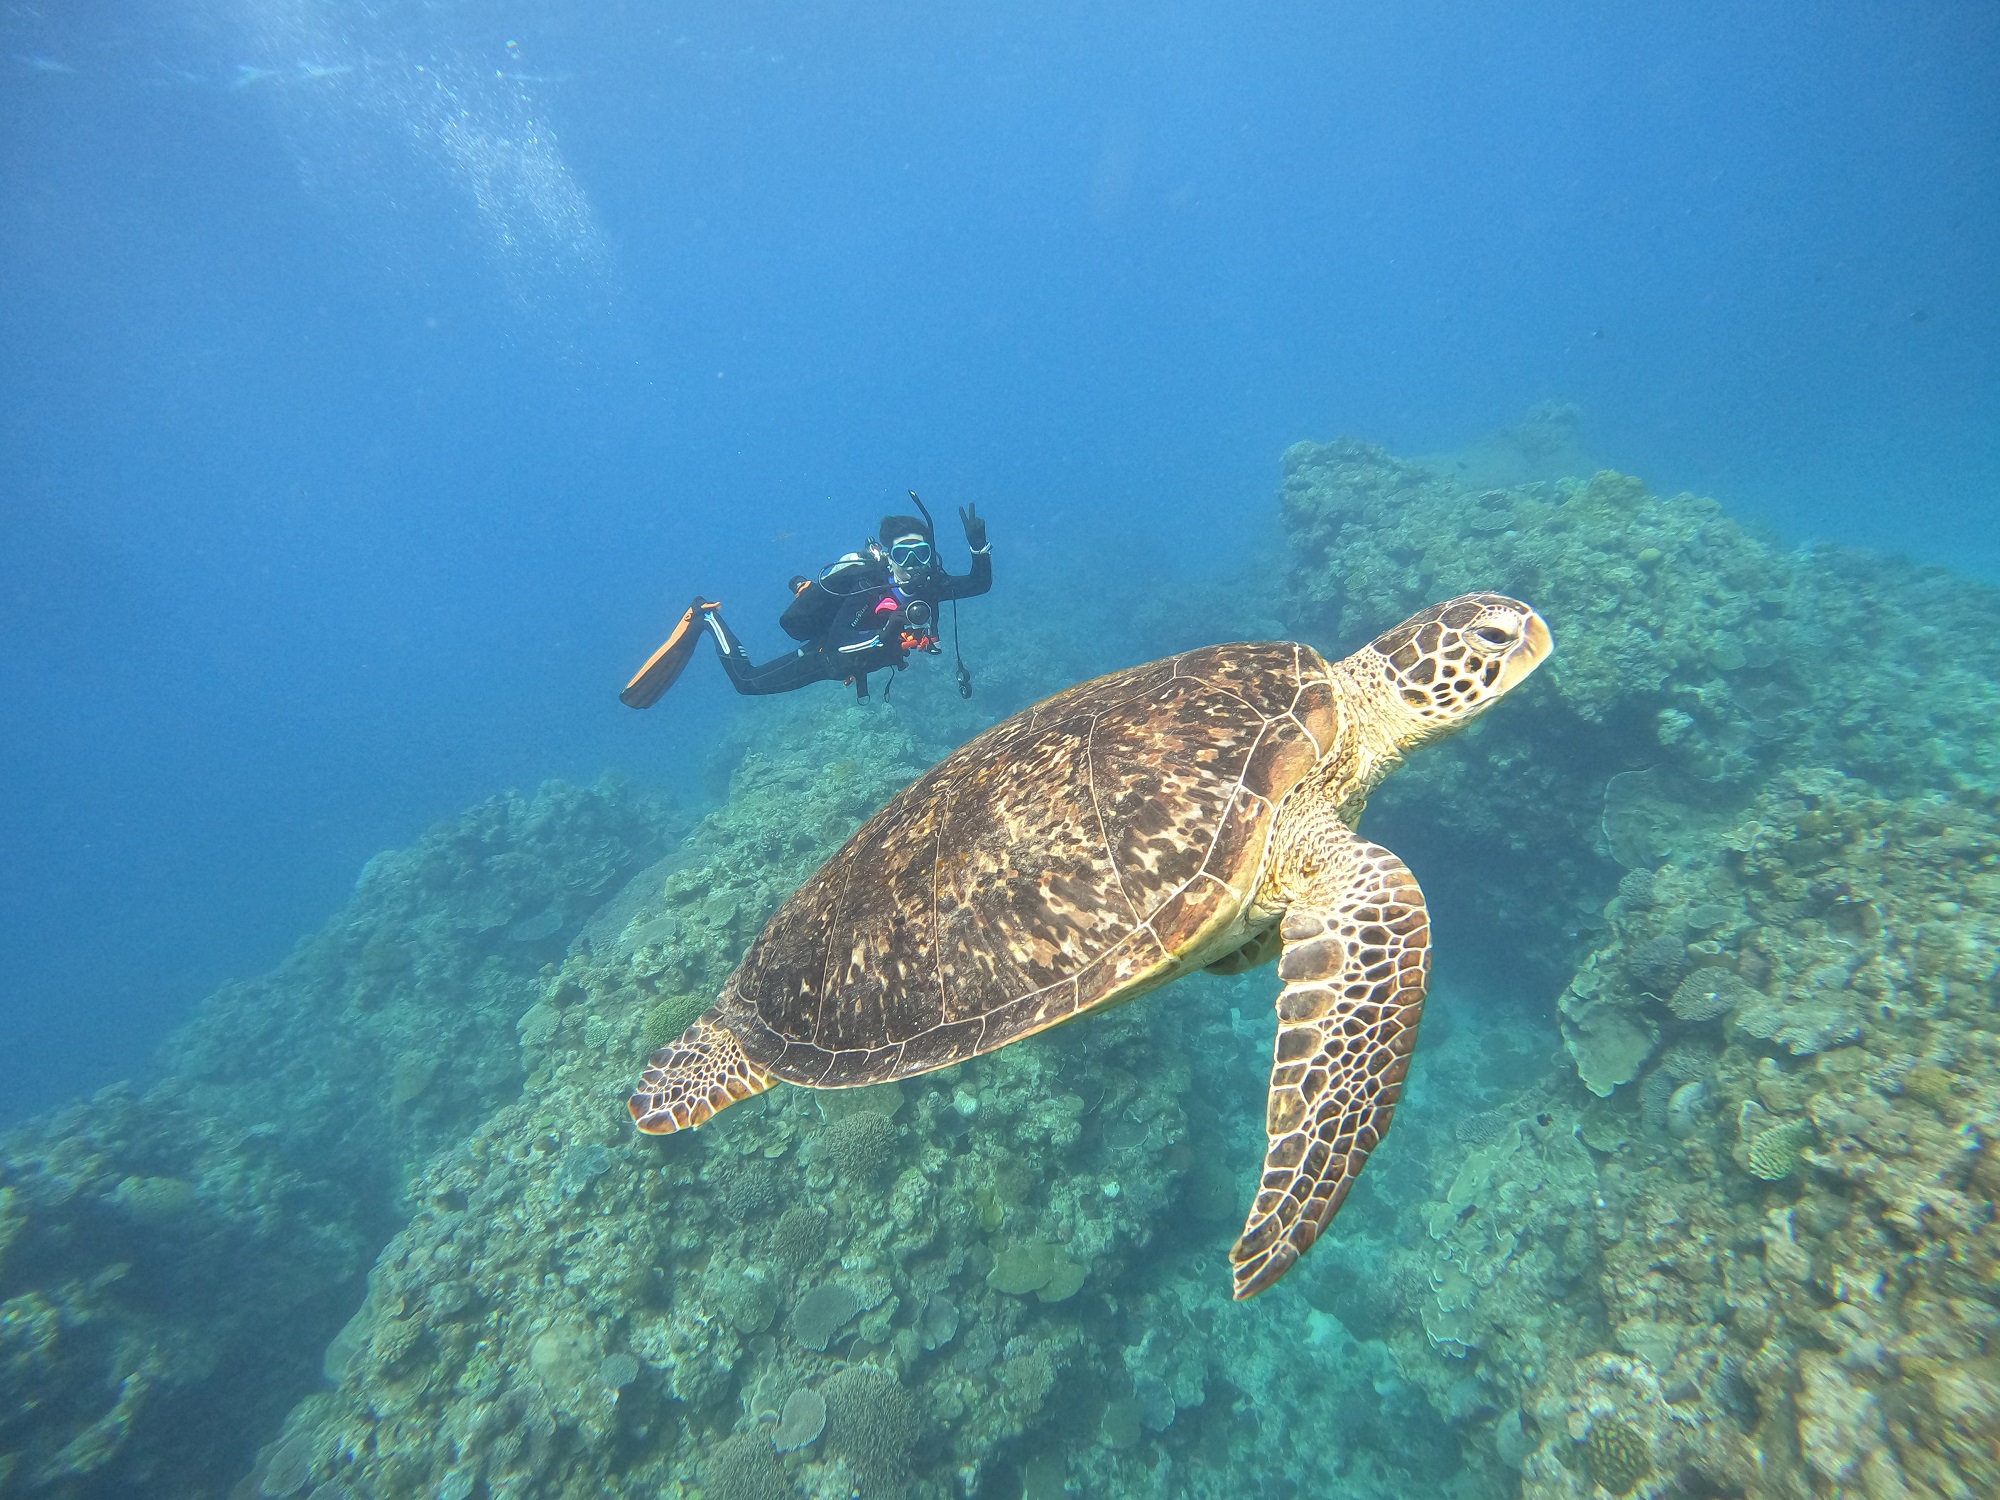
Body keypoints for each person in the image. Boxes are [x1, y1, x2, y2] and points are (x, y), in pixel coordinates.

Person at [620, 494, 991, 708]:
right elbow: (842, 641)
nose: (914, 565)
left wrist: (978, 547)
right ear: (887, 555)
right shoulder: (868, 586)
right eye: (904, 554)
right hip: (825, 659)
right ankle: (706, 618)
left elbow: (979, 584)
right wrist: (885, 637)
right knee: (747, 683)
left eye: (921, 553)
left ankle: (800, 587)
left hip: (856, 666)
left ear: (932, 554)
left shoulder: (932, 586)